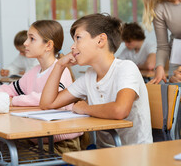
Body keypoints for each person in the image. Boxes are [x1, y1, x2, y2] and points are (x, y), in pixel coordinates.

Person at [0, 20, 82, 166]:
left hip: (61, 145)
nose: (25, 43)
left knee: (4, 160)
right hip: (37, 138)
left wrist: (13, 101)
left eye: (31, 39)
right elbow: (12, 88)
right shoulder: (34, 71)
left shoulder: (61, 71)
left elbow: (47, 99)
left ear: (48, 45)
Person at [40, 13, 153, 148]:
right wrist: (59, 65)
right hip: (103, 152)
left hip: (134, 154)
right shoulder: (89, 76)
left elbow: (120, 110)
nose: (72, 46)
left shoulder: (126, 68)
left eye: (78, 38)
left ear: (100, 40)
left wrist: (86, 108)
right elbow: (48, 103)